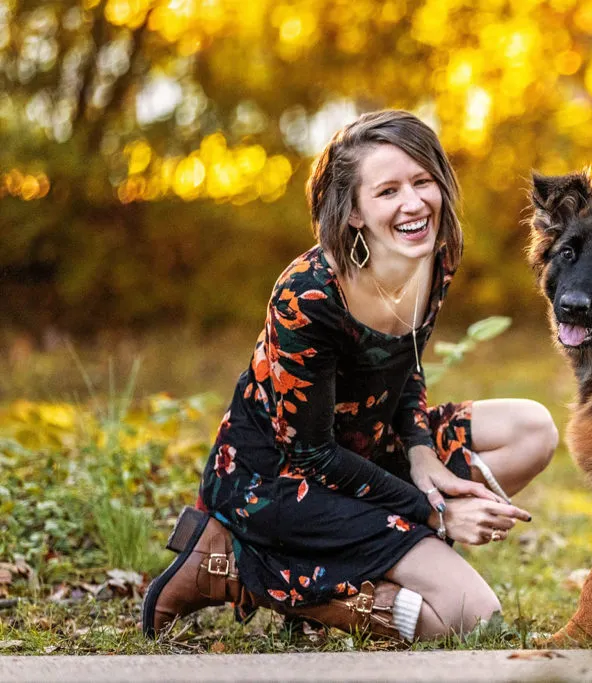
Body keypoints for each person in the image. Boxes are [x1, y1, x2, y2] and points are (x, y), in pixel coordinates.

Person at [142, 110, 558, 642]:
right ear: (355, 212)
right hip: (282, 482)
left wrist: (420, 449)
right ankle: (237, 568)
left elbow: (403, 366)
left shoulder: (435, 253)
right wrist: (436, 514)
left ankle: (356, 556)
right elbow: (312, 455)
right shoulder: (307, 298)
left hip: (370, 453)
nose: (413, 204)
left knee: (534, 430)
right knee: (473, 618)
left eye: (423, 181)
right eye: (387, 191)